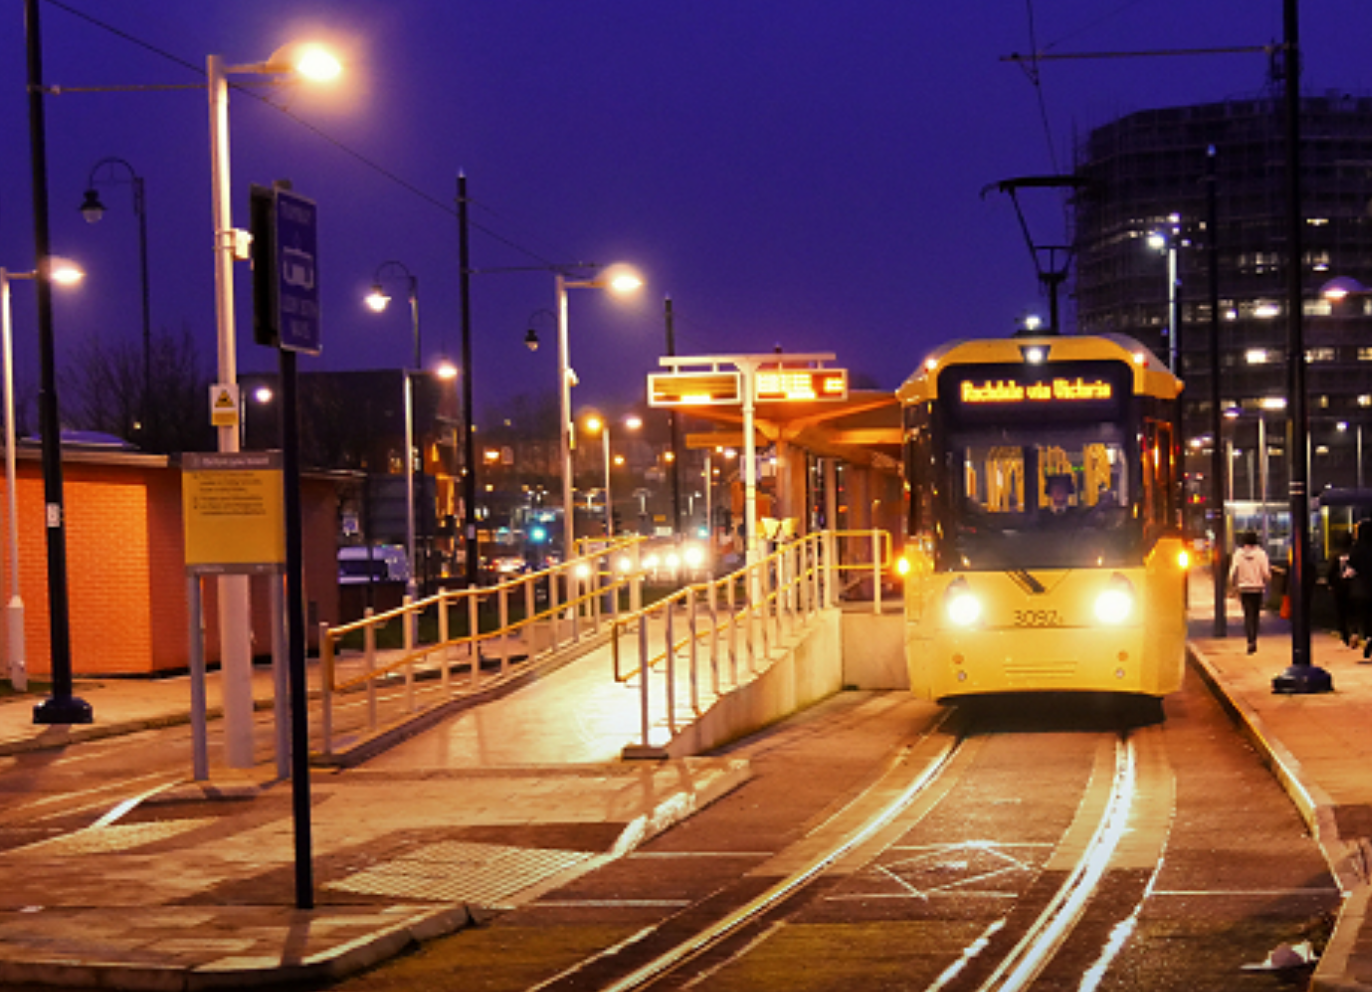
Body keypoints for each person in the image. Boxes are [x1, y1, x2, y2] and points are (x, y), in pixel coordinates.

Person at [1228, 531, 1271, 654]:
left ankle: (1250, 639)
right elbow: (1266, 572)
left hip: (1244, 588)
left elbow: (1232, 572)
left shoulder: (1238, 554)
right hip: (1257, 588)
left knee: (1248, 614)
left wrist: (1233, 585)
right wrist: (1267, 579)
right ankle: (1254, 638)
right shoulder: (1261, 554)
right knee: (1256, 615)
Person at [1345, 521, 1372, 660]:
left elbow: (1349, 571)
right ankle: (1369, 637)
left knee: (1360, 614)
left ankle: (1359, 635)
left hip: (1359, 589)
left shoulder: (1356, 549)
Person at [1327, 534, 1354, 647]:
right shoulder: (1353, 555)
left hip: (1339, 588)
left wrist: (1330, 584)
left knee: (1341, 612)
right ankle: (1355, 632)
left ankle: (1345, 635)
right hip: (1352, 587)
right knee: (1352, 611)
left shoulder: (1335, 556)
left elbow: (1330, 572)